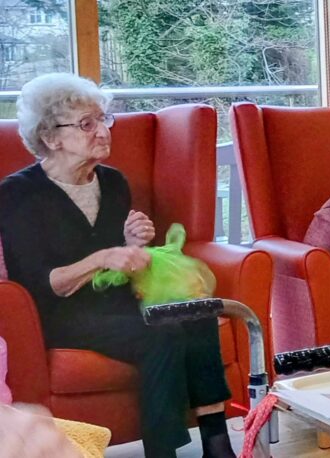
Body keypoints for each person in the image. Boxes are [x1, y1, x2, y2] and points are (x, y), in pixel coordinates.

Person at [0, 73, 236, 458]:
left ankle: (216, 441)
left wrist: (132, 244)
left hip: (119, 302)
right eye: (85, 123)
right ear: (51, 137)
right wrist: (105, 257)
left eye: (103, 119)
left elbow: (114, 262)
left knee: (197, 313)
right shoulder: (17, 194)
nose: (102, 131)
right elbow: (42, 283)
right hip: (62, 315)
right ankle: (163, 450)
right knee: (164, 333)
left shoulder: (113, 183)